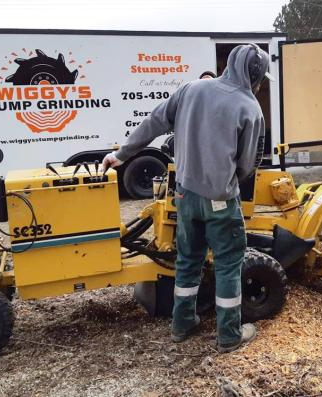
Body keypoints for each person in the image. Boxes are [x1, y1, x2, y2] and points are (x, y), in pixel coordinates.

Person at [101, 44, 272, 353]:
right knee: (228, 265)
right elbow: (248, 165)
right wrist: (226, 181)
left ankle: (182, 325)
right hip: (220, 199)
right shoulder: (250, 108)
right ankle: (230, 335)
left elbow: (154, 122)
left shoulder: (191, 89)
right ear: (256, 74)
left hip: (184, 195)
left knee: (188, 260)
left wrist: (121, 154)